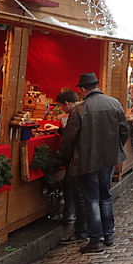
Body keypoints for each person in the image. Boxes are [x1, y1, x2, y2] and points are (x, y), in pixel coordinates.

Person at [60, 72, 129, 254]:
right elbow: (124, 131)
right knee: (105, 195)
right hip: (108, 159)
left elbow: (69, 139)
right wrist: (115, 149)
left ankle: (95, 238)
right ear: (96, 85)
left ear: (83, 89)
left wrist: (66, 158)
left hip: (87, 160)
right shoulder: (114, 103)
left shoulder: (80, 110)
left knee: (92, 198)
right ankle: (109, 234)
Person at [56, 88, 86, 244]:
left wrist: (64, 158)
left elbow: (69, 139)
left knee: (75, 189)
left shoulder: (76, 113)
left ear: (66, 103)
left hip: (78, 159)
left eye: (62, 106)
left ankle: (75, 222)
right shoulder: (85, 109)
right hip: (88, 158)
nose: (62, 109)